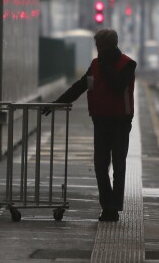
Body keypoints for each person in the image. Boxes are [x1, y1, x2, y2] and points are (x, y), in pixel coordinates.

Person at [46, 28, 136, 222]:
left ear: (110, 46)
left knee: (119, 167)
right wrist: (56, 104)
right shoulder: (95, 65)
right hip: (101, 122)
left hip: (121, 122)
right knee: (100, 166)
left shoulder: (127, 64)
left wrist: (106, 68)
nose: (98, 50)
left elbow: (118, 86)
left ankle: (113, 209)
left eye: (100, 46)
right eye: (97, 47)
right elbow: (79, 86)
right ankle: (107, 206)